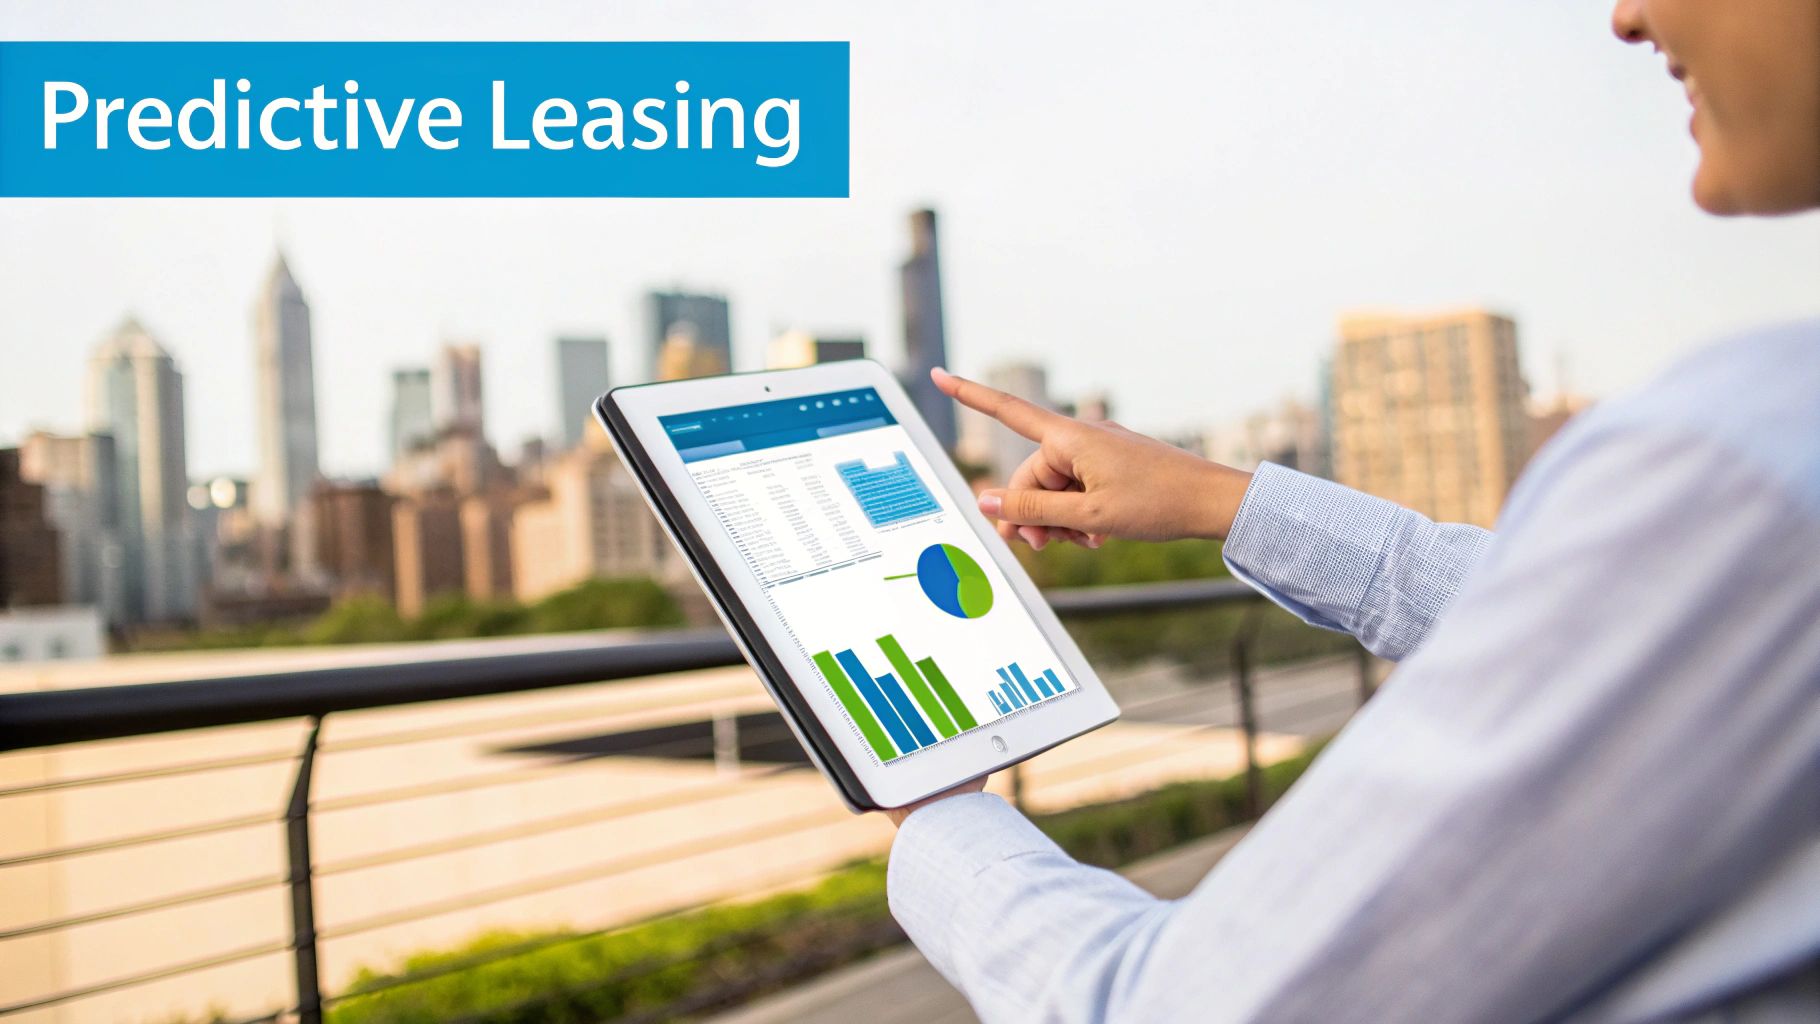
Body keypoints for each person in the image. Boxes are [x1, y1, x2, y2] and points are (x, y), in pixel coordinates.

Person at [882, 1, 1820, 1020]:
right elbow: (1576, 619)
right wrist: (1212, 496)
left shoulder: (1748, 462)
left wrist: (938, 819)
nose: (1627, 16)